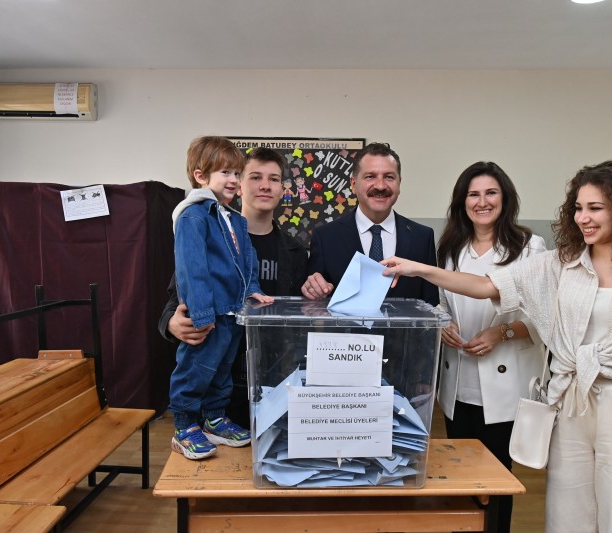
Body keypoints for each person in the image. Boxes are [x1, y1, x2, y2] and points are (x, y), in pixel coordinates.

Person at [382, 160, 612, 532]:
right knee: (567, 515)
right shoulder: (559, 265)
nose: (583, 218)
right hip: (572, 402)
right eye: (578, 208)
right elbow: (486, 286)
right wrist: (419, 268)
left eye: (595, 208)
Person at [159, 147, 308, 428]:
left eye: (274, 179)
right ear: (240, 186)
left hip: (275, 383)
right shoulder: (206, 231)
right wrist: (170, 323)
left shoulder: (297, 252)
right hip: (219, 379)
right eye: (255, 177)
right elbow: (179, 291)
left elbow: (301, 316)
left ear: (282, 189)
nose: (265, 185)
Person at [436, 161, 546, 532]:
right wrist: (443, 324)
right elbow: (441, 304)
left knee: (497, 475)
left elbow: (545, 318)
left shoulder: (530, 248)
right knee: (460, 471)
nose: (482, 202)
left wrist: (503, 332)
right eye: (473, 194)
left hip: (504, 383)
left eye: (490, 193)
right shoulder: (451, 248)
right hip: (458, 380)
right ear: (462, 202)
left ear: (505, 198)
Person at [168, 136, 273, 460]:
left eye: (236, 173)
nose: (233, 180)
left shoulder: (234, 219)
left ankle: (214, 419)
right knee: (195, 370)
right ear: (200, 176)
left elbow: (248, 260)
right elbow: (192, 268)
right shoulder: (193, 216)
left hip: (232, 311)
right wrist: (201, 314)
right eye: (225, 172)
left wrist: (252, 289)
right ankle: (185, 426)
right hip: (209, 315)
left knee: (222, 370)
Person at [302, 142, 439, 307]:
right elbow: (313, 302)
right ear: (353, 184)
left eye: (389, 177)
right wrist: (313, 291)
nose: (380, 186)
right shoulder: (325, 237)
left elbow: (431, 304)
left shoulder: (422, 237)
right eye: (370, 177)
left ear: (399, 183)